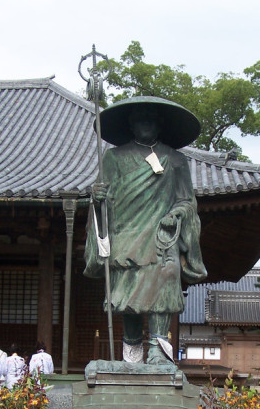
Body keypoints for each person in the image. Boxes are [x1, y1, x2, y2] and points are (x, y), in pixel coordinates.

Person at [84, 96, 207, 364]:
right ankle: (131, 356)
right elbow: (103, 199)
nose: (146, 123)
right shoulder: (113, 157)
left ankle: (158, 352)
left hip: (162, 236)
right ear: (131, 123)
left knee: (163, 285)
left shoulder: (175, 159)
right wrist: (97, 197)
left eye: (151, 118)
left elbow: (186, 200)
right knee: (129, 296)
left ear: (160, 123)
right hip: (126, 235)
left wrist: (176, 214)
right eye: (140, 118)